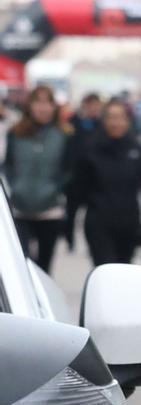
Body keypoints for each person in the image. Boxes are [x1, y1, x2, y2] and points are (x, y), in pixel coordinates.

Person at [66, 100, 141, 266]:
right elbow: (77, 190)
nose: (115, 123)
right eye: (111, 117)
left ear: (127, 121)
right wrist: (69, 223)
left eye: (120, 117)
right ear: (104, 120)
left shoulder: (138, 150)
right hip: (98, 221)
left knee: (123, 269)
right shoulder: (91, 150)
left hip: (129, 221)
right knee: (105, 267)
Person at [4, 86, 71, 271]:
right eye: (38, 102)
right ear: (30, 105)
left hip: (50, 209)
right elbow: (8, 165)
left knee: (44, 265)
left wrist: (56, 189)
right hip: (20, 208)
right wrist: (15, 187)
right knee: (23, 263)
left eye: (47, 102)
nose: (43, 108)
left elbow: (69, 169)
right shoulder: (15, 133)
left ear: (54, 106)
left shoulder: (64, 134)